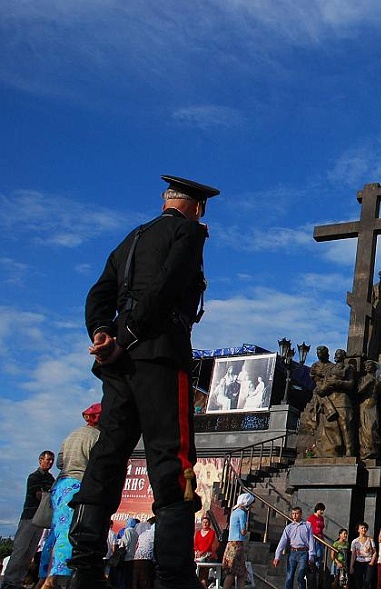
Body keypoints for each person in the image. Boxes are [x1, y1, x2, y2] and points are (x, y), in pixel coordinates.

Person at [69, 174, 221, 589]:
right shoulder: (187, 232)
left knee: (108, 455)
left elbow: (97, 296)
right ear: (196, 206)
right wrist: (132, 333)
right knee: (173, 460)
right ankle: (174, 575)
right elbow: (169, 283)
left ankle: (83, 566)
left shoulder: (131, 240)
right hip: (160, 356)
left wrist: (104, 334)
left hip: (120, 365)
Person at [46, 405, 102, 587]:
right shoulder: (97, 436)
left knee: (54, 532)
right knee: (71, 532)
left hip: (60, 485)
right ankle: (57, 578)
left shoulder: (72, 434)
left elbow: (60, 462)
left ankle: (44, 574)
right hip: (78, 484)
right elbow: (98, 464)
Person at [1, 451, 56, 589]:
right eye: (47, 459)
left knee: (29, 552)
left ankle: (18, 581)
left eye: (52, 460)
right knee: (20, 551)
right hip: (29, 517)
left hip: (41, 520)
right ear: (40, 460)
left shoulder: (51, 479)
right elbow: (39, 494)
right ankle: (9, 581)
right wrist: (48, 495)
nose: (49, 462)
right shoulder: (34, 477)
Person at [273, 507, 315, 589]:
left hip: (303, 552)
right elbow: (282, 542)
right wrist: (277, 556)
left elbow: (311, 541)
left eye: (296, 513)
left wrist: (311, 555)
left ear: (301, 514)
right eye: (293, 514)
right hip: (293, 552)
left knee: (300, 575)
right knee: (289, 575)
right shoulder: (289, 527)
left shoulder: (307, 525)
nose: (294, 516)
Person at [222, 493, 253, 589]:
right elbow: (243, 531)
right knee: (233, 572)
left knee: (241, 573)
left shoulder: (234, 512)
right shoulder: (242, 513)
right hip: (237, 545)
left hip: (231, 543)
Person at [349, 523, 376, 589]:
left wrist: (371, 562)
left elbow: (374, 552)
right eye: (362, 528)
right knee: (359, 582)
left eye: (365, 528)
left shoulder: (370, 540)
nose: (364, 529)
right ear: (358, 530)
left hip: (368, 562)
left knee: (367, 581)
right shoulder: (355, 541)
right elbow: (353, 555)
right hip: (359, 562)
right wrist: (351, 566)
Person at [131, 519, 156, 589]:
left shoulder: (143, 534)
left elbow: (137, 546)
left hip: (137, 558)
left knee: (136, 581)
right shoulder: (156, 534)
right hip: (147, 560)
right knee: (146, 582)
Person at [194, 517, 218, 587]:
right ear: (201, 523)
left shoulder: (211, 532)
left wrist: (202, 552)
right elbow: (195, 544)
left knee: (204, 569)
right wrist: (197, 551)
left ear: (209, 524)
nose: (205, 523)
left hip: (207, 554)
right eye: (204, 522)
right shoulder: (198, 532)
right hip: (198, 554)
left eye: (206, 522)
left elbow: (209, 544)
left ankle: (204, 582)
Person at [306, 504, 327, 569]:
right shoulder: (311, 518)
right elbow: (307, 528)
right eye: (321, 510)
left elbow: (321, 530)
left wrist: (323, 539)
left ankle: (316, 569)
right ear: (317, 509)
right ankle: (311, 569)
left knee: (320, 556)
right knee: (316, 554)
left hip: (320, 538)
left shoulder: (321, 518)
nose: (322, 512)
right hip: (314, 539)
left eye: (323, 510)